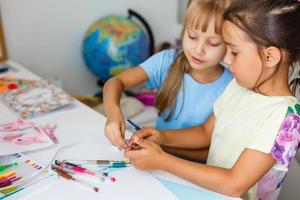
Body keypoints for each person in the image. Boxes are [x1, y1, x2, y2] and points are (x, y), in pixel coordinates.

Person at [125, 0, 300, 199]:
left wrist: (162, 160)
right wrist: (161, 137)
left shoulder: (287, 118)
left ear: (270, 57)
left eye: (234, 51)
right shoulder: (238, 86)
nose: (226, 59)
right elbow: (206, 132)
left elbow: (234, 184)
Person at [103, 0, 232, 152]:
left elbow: (207, 141)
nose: (199, 50)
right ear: (184, 31)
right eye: (192, 36)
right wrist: (113, 114)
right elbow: (115, 82)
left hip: (191, 167)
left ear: (230, 45)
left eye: (213, 43)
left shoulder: (232, 87)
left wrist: (163, 148)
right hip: (154, 158)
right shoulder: (166, 61)